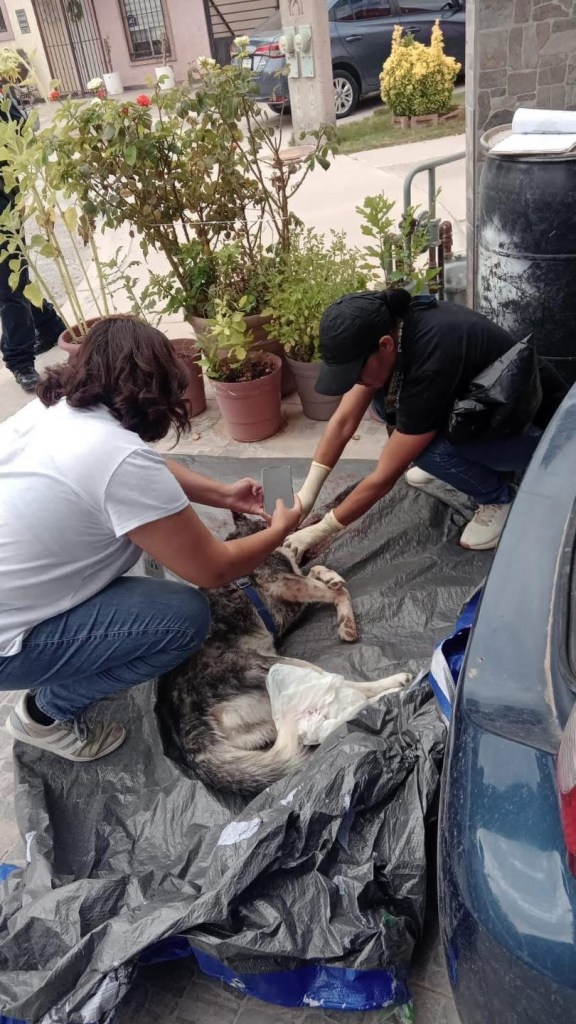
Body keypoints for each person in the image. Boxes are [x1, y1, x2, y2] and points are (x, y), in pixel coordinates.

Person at [0, 316, 301, 762]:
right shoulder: (115, 457)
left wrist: (221, 494)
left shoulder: (52, 409)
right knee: (183, 619)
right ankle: (44, 714)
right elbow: (213, 568)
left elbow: (135, 461)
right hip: (7, 646)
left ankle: (69, 654)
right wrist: (278, 532)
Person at [285, 290, 567, 560]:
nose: (354, 382)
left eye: (354, 373)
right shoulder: (392, 326)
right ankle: (459, 463)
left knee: (424, 450)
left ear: (385, 345)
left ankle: (498, 498)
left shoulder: (434, 354)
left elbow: (384, 477)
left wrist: (320, 530)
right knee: (384, 404)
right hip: (491, 412)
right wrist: (307, 494)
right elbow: (344, 421)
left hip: (543, 440)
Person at [0, 81, 65, 391]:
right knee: (14, 277)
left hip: (4, 204)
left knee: (8, 283)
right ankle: (49, 325)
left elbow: (23, 134)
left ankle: (20, 359)